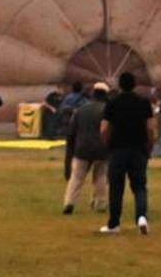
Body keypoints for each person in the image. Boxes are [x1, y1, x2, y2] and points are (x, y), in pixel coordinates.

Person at [100, 71, 155, 236]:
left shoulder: (112, 103)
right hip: (138, 150)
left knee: (116, 188)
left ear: (119, 85)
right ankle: (141, 218)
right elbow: (150, 129)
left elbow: (104, 129)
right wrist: (149, 147)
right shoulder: (144, 103)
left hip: (117, 150)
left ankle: (114, 224)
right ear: (135, 84)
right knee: (139, 187)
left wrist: (108, 145)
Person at [62, 82, 110, 215]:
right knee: (101, 176)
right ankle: (100, 203)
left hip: (82, 149)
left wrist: (71, 149)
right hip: (101, 148)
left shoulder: (81, 110)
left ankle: (69, 203)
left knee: (76, 177)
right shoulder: (107, 110)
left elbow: (72, 131)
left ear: (93, 93)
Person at [59, 81, 86, 180]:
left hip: (68, 128)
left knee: (69, 153)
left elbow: (61, 110)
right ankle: (78, 174)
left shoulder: (67, 98)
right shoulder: (83, 100)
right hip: (79, 128)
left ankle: (67, 174)